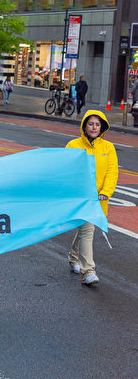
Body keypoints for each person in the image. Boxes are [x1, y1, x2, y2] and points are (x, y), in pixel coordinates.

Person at [65, 110, 118, 285]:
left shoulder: (108, 147)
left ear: (102, 127)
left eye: (97, 124)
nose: (94, 128)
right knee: (87, 231)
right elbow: (66, 171)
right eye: (91, 124)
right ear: (84, 126)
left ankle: (74, 257)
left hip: (99, 199)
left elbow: (112, 172)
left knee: (85, 230)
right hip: (81, 198)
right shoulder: (73, 145)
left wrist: (106, 193)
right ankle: (88, 271)